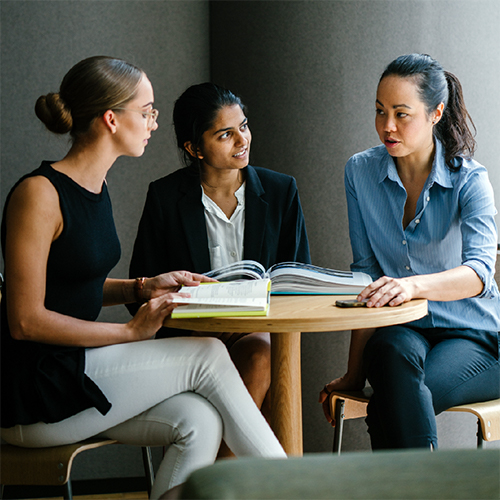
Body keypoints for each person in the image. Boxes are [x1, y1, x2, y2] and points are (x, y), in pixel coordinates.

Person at [0, 56, 286, 500]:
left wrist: (142, 287)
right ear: (111, 119)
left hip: (76, 376)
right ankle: (297, 489)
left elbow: (70, 286)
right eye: (147, 110)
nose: (154, 122)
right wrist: (129, 331)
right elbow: (25, 319)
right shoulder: (38, 194)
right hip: (36, 391)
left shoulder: (97, 187)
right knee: (207, 354)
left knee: (199, 420)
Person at [319, 53, 500, 450]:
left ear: (435, 113)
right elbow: (364, 275)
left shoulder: (470, 181)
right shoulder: (360, 172)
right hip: (404, 329)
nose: (387, 126)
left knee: (393, 401)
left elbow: (479, 274)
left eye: (402, 114)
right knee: (386, 353)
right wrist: (352, 375)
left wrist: (412, 286)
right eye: (380, 111)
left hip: (474, 334)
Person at [128, 82, 311, 449]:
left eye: (243, 126)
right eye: (225, 134)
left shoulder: (280, 191)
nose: (242, 140)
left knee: (260, 354)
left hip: (256, 333)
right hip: (191, 336)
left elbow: (298, 280)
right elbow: (140, 290)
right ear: (194, 148)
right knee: (262, 391)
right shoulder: (165, 197)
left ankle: (214, 478)